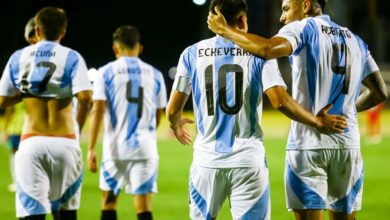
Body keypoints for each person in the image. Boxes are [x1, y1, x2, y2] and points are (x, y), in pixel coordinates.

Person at [207, 0, 388, 219]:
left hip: (308, 145)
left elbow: (266, 49)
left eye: (286, 9)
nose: (282, 17)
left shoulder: (302, 27)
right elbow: (380, 92)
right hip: (347, 145)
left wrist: (224, 30)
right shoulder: (355, 40)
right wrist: (345, 112)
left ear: (305, 5)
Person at [167, 0, 347, 219]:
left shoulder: (191, 54)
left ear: (213, 20)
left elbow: (173, 109)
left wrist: (175, 123)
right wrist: (317, 121)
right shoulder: (260, 54)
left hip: (206, 163)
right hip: (248, 162)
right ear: (243, 20)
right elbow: (280, 101)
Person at [0, 7, 92, 220]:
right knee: (67, 214)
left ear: (38, 30)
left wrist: (26, 94)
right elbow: (86, 98)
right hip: (66, 141)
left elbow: (3, 100)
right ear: (63, 31)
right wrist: (77, 128)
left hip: (32, 141)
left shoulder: (19, 57)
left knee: (32, 214)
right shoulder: (72, 57)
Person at [87, 25, 167, 220]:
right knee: (144, 206)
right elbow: (159, 114)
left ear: (116, 49)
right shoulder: (155, 74)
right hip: (145, 148)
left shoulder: (105, 72)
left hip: (115, 149)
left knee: (108, 202)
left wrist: (90, 148)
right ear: (139, 48)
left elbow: (97, 109)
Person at [3, 17, 38, 193]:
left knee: (18, 154)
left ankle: (21, 182)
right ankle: (21, 182)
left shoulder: (19, 61)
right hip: (27, 124)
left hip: (22, 124)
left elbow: (5, 101)